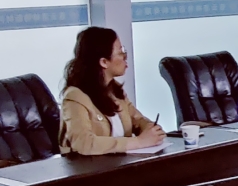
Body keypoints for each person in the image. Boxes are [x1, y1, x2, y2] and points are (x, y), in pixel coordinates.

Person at [60, 27, 166, 155]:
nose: (125, 57)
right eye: (121, 52)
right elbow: (84, 143)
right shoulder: (75, 97)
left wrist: (150, 130)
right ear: (104, 62)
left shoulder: (114, 90)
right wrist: (139, 142)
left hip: (121, 163)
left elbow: (137, 120)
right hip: (89, 166)